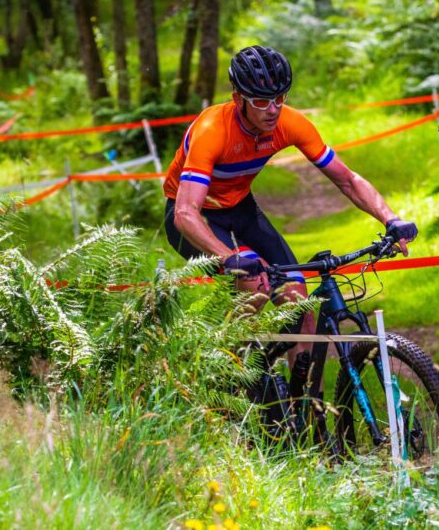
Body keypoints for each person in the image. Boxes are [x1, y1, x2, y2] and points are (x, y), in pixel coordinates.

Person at [163, 45, 417, 432]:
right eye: (262, 100)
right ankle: (229, 380)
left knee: (300, 300)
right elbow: (185, 214)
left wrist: (391, 218)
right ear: (238, 99)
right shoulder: (213, 130)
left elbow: (347, 179)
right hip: (192, 216)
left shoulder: (290, 123)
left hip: (241, 207)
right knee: (255, 284)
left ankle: (302, 412)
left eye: (280, 98)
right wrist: (228, 257)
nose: (273, 109)